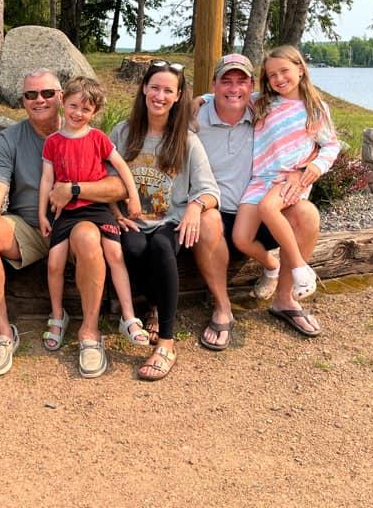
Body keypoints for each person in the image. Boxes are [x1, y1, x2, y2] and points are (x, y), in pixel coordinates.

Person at [0, 69, 128, 378]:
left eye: (46, 93)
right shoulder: (10, 139)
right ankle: (3, 333)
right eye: (31, 95)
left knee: (87, 238)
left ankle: (90, 332)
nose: (39, 100)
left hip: (78, 220)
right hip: (31, 226)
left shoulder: (88, 133)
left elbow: (119, 185)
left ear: (61, 97)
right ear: (22, 101)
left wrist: (74, 189)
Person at [194, 53, 322, 348]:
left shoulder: (263, 108)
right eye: (226, 81)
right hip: (216, 208)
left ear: (252, 85)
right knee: (207, 220)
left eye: (242, 81)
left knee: (307, 214)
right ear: (214, 84)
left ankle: (285, 299)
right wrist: (197, 99)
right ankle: (223, 307)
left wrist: (302, 171)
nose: (234, 88)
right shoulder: (195, 117)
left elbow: (314, 142)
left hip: (260, 207)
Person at [110, 60, 222, 381]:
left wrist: (194, 207)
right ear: (144, 88)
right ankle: (153, 306)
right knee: (130, 247)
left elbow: (210, 190)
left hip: (169, 223)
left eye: (168, 91)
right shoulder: (122, 132)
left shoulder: (186, 141)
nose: (159, 95)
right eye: (155, 87)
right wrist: (116, 213)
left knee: (160, 246)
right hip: (132, 220)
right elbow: (103, 178)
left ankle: (167, 343)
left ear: (178, 97)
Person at [232, 45, 340, 337]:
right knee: (241, 238)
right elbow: (234, 97)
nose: (279, 79)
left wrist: (312, 169)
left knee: (270, 209)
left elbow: (331, 145)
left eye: (284, 71)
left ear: (301, 69)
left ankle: (300, 270)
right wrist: (201, 101)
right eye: (271, 75)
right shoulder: (262, 103)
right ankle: (275, 265)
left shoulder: (315, 108)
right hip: (259, 180)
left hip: (289, 180)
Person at [38, 76, 148, 351]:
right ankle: (57, 315)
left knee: (115, 255)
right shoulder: (52, 142)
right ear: (63, 102)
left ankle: (129, 315)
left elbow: (122, 168)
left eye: (86, 110)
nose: (78, 113)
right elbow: (46, 180)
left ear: (94, 112)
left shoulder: (98, 138)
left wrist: (133, 198)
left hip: (97, 207)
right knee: (54, 263)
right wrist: (42, 214)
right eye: (74, 106)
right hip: (66, 211)